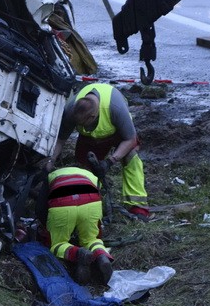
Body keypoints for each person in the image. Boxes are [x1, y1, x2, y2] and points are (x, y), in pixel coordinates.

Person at [51, 82, 150, 221]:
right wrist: (50, 162)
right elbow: (60, 140)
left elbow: (130, 139)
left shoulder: (115, 108)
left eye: (82, 124)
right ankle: (91, 201)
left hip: (117, 133)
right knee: (84, 170)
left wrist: (110, 161)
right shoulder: (71, 110)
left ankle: (138, 205)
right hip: (90, 139)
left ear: (92, 117)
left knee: (131, 157)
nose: (79, 126)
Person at [40, 164, 114, 285]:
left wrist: (48, 226)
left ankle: (78, 253)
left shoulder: (52, 176)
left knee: (57, 244)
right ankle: (101, 255)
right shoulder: (90, 175)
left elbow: (40, 208)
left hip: (62, 203)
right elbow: (98, 196)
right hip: (90, 201)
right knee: (91, 239)